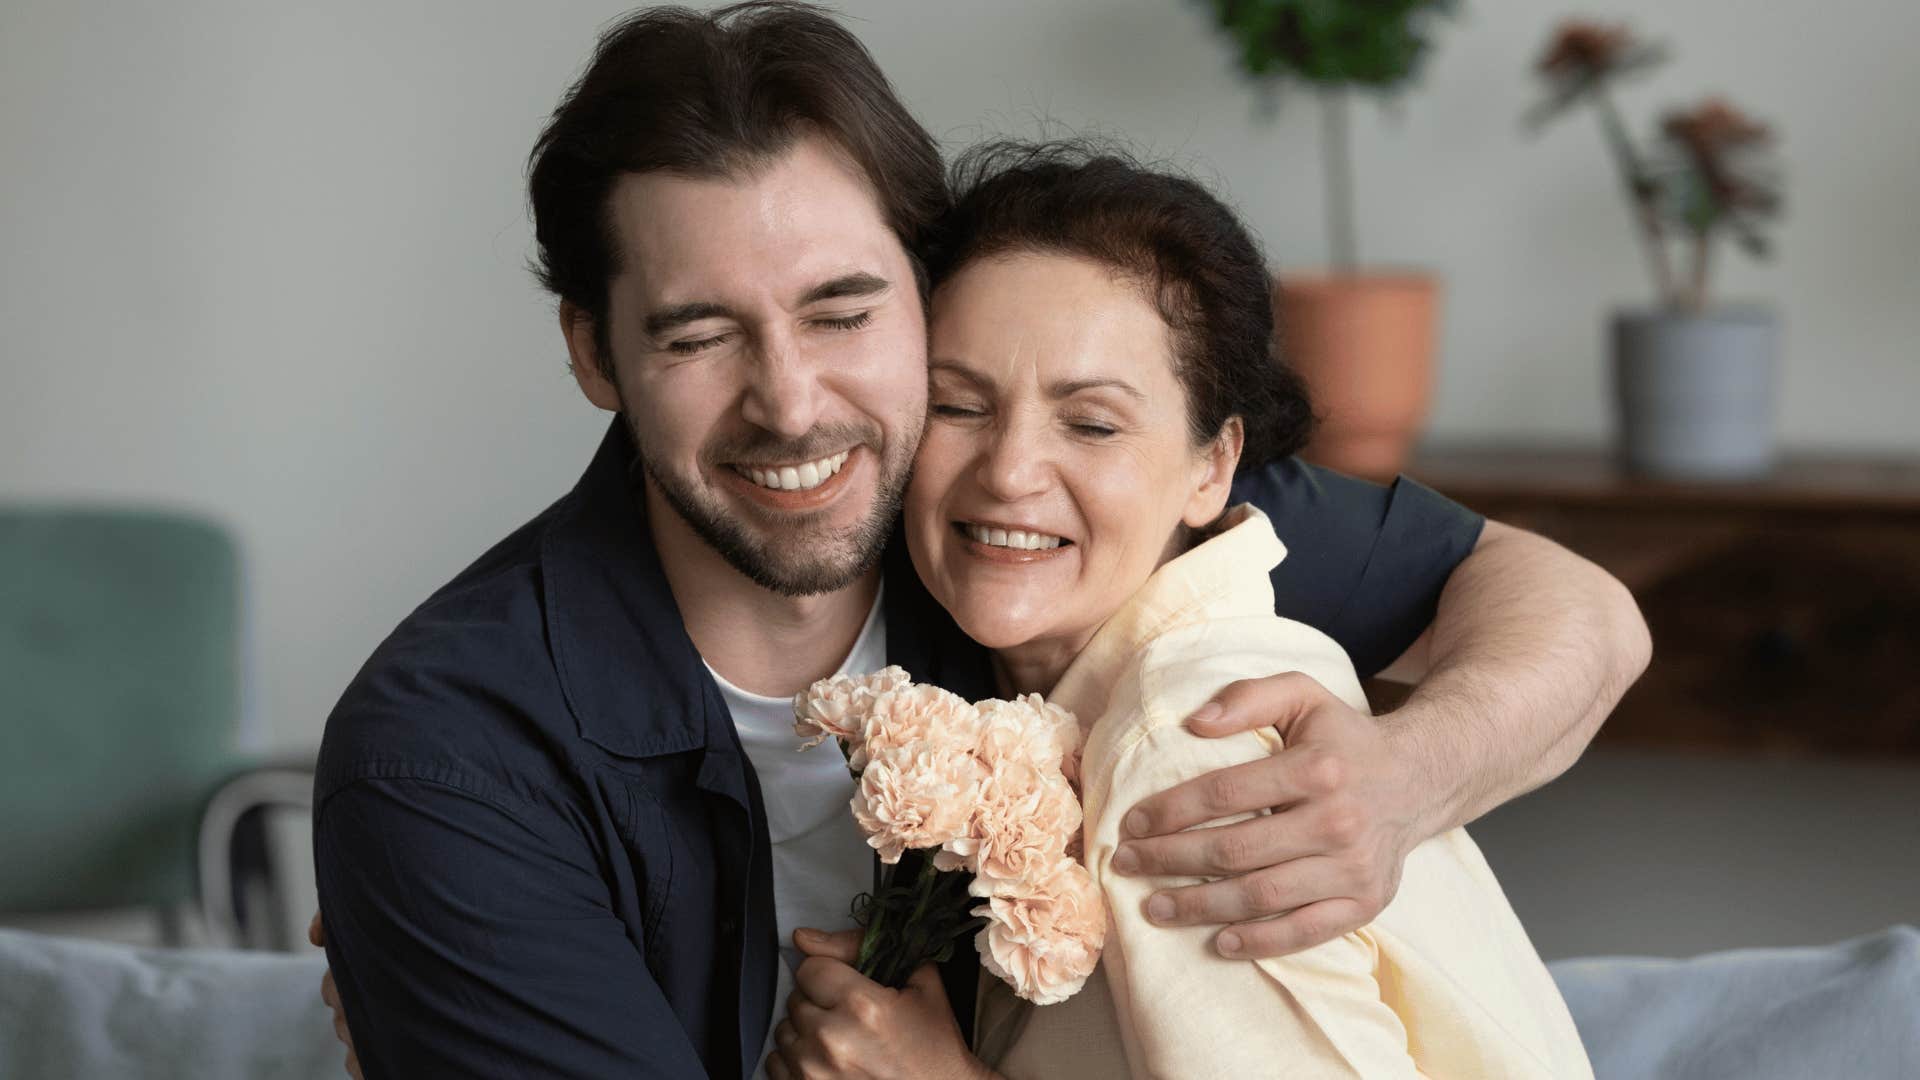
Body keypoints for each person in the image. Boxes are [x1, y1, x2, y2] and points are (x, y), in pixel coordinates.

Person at [311, 4, 1649, 1078]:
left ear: (921, 297)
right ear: (597, 353)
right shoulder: (449, 757)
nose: (791, 405)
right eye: (700, 331)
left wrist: (1410, 774)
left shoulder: (1025, 527)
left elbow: (1574, 609)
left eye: (843, 312)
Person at [761, 143, 1593, 1080]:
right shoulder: (1067, 709)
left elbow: (1592, 612)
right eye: (958, 406)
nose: (1009, 472)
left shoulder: (1187, 741)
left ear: (1213, 467)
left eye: (1093, 423)